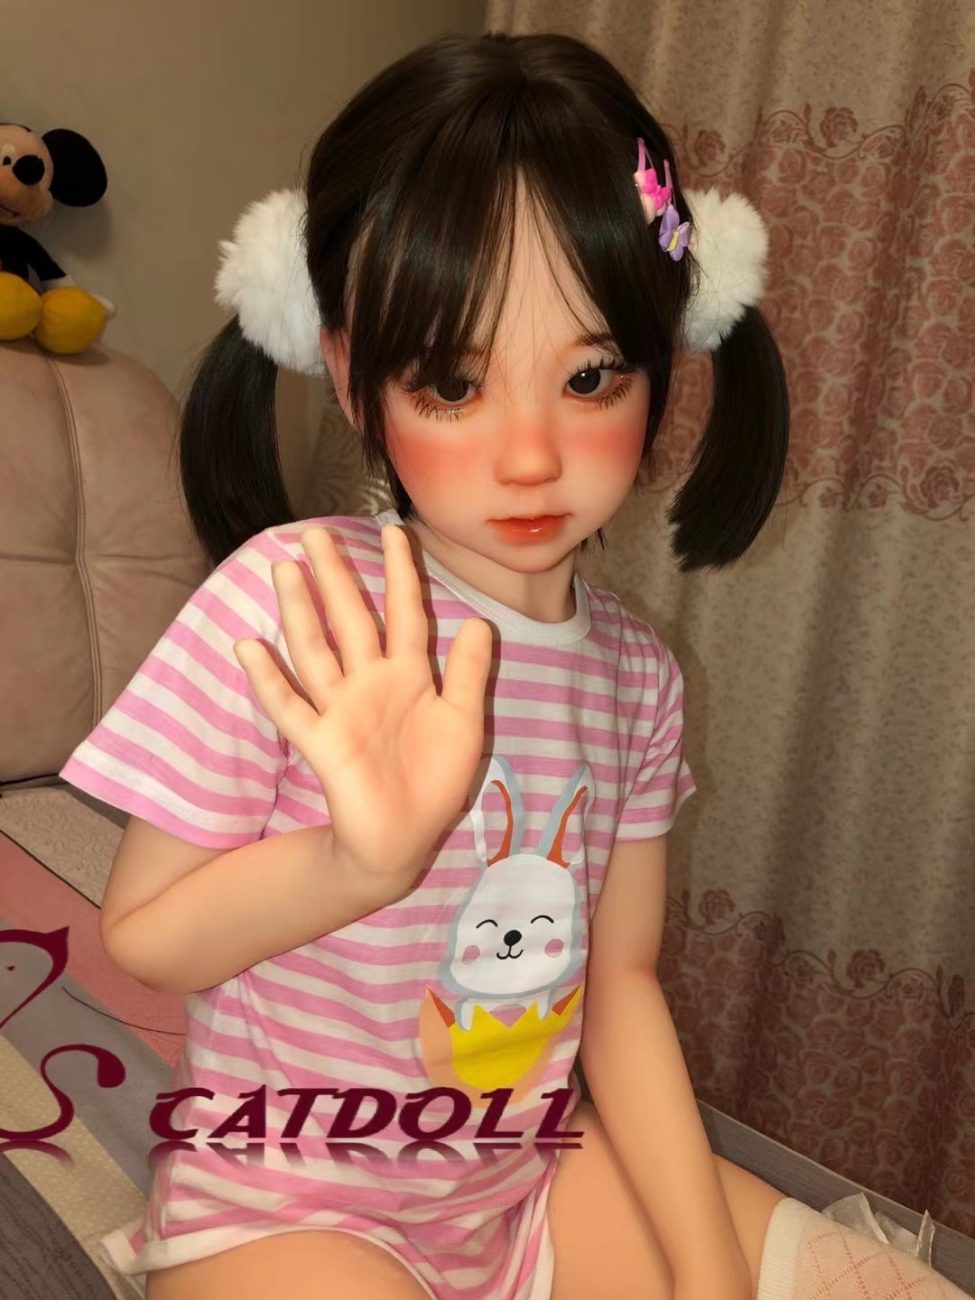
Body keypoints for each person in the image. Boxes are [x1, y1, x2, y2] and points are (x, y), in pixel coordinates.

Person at [60, 29, 969, 1300]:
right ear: (353, 375)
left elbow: (622, 982)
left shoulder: (640, 678)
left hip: (528, 1184)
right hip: (285, 1204)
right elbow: (147, 937)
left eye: (590, 375)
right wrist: (355, 865)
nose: (531, 454)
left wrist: (709, 1272)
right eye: (453, 382)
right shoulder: (293, 596)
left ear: (662, 363)